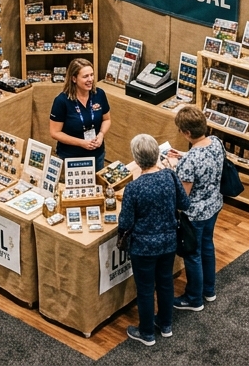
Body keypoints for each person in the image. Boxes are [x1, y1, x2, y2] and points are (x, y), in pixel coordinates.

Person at [121, 133, 189, 346]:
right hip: (169, 242)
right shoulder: (169, 176)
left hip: (143, 248)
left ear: (137, 159)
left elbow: (125, 223)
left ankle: (147, 333)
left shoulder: (133, 188)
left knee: (145, 289)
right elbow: (184, 204)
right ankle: (166, 325)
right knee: (166, 283)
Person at [169, 105, 223, 311]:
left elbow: (183, 197)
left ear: (187, 133)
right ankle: (209, 291)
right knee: (207, 247)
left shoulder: (190, 161)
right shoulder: (217, 143)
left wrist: (175, 168)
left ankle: (194, 298)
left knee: (193, 254)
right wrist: (184, 156)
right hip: (214, 205)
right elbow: (206, 160)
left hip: (195, 215)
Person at [49, 58, 111, 169]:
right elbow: (55, 133)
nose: (90, 79)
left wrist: (101, 134)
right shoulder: (61, 101)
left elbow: (106, 119)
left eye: (92, 75)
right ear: (74, 79)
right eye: (85, 76)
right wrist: (81, 143)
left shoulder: (99, 94)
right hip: (71, 158)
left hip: (96, 155)